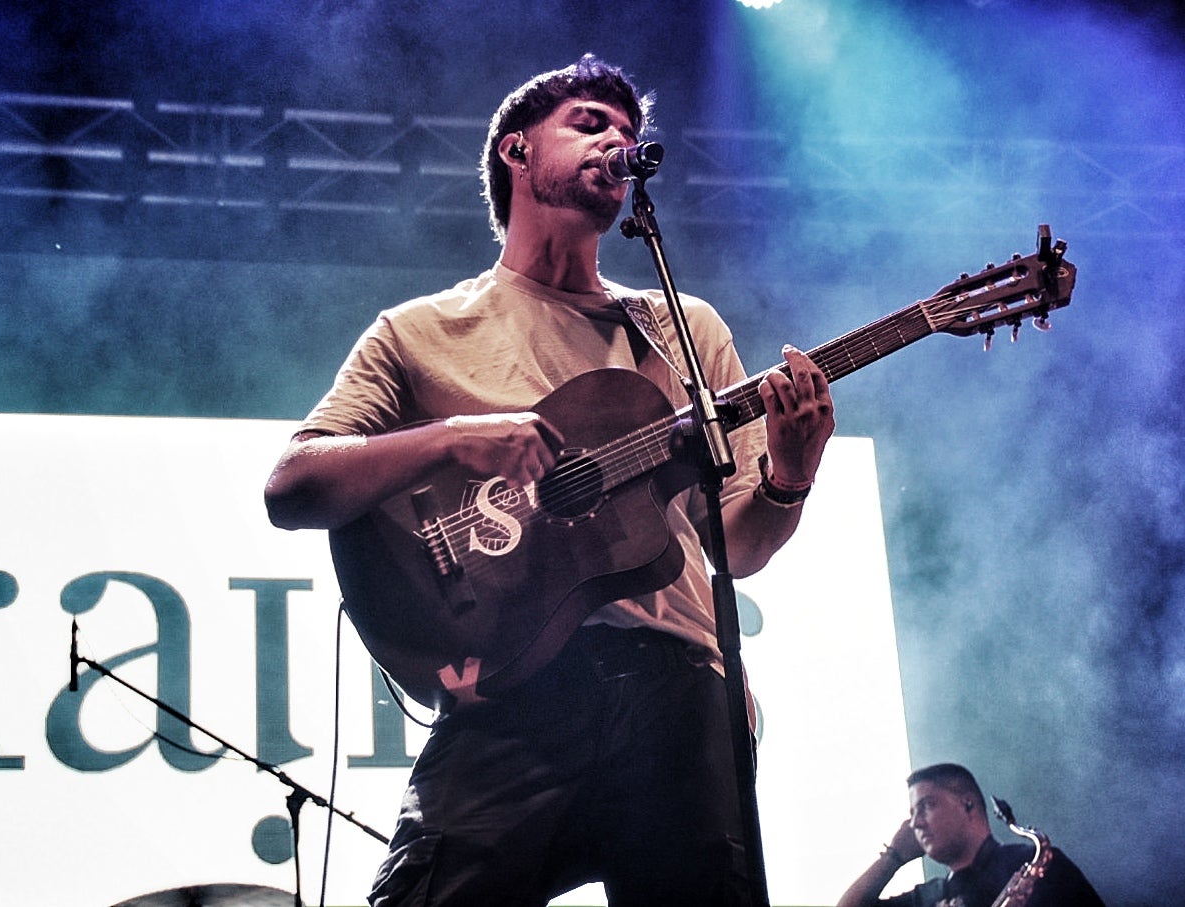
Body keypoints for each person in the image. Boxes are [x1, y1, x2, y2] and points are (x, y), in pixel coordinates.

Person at [263, 54, 835, 906]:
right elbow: (293, 486)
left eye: (627, 133)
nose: (616, 140)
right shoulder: (420, 332)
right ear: (516, 152)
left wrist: (789, 475)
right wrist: (453, 440)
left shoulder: (683, 328)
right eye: (588, 123)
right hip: (514, 687)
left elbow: (737, 550)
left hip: (678, 691)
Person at [837, 763, 1106, 907]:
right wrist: (893, 858)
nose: (915, 823)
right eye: (912, 812)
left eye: (927, 806)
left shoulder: (1036, 864)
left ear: (968, 804)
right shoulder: (927, 896)